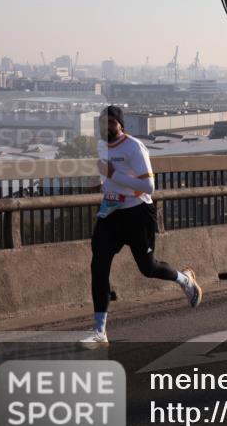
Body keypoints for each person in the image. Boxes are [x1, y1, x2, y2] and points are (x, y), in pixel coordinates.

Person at [81, 106, 202, 348]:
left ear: (121, 125)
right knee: (99, 265)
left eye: (112, 123)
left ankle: (185, 279)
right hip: (110, 214)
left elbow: (149, 187)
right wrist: (99, 183)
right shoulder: (100, 146)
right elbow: (107, 177)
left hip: (137, 213)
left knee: (148, 268)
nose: (107, 127)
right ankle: (99, 331)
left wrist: (112, 174)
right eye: (103, 123)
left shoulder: (134, 147)